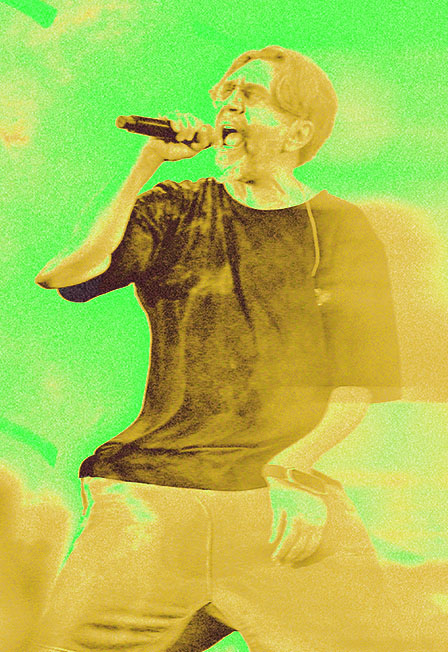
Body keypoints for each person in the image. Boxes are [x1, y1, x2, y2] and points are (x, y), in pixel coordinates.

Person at [31, 46, 417, 652]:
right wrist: (143, 166)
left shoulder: (342, 228)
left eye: (251, 95)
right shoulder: (175, 207)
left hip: (276, 502)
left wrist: (292, 469)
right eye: (224, 95)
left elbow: (356, 384)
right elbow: (64, 273)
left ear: (298, 132)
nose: (228, 105)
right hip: (156, 493)